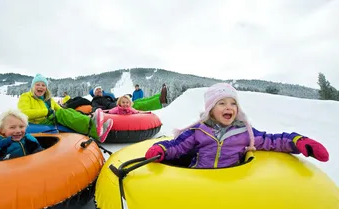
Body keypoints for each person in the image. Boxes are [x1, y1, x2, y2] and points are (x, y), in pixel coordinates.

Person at [145, 83, 329, 168]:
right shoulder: (198, 131)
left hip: (233, 181)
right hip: (198, 178)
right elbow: (177, 146)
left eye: (233, 103)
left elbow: (273, 140)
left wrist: (299, 141)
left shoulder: (244, 133)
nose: (229, 108)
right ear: (211, 109)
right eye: (222, 103)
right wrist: (160, 148)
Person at [18, 74, 113, 142]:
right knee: (61, 113)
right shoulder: (26, 96)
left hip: (49, 119)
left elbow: (60, 110)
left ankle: (91, 121)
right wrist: (47, 112)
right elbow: (24, 112)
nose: (40, 87)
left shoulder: (48, 99)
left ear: (46, 88)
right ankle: (96, 132)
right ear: (32, 86)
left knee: (68, 111)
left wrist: (78, 114)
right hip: (38, 122)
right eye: (37, 84)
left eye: (43, 85)